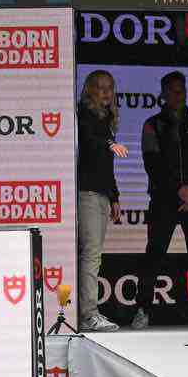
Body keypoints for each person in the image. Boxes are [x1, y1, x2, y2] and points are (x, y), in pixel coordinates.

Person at [131, 71, 188, 329]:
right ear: (164, 94)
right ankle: (142, 310)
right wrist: (179, 190)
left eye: (182, 90)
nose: (179, 95)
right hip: (163, 200)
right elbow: (152, 165)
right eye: (174, 91)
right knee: (153, 255)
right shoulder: (152, 124)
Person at [77, 70, 127, 332]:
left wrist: (115, 196)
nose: (106, 92)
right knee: (91, 254)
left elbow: (107, 167)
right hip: (86, 192)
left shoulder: (106, 118)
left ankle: (88, 311)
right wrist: (109, 143)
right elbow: (89, 141)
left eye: (110, 87)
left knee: (94, 255)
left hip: (101, 194)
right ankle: (88, 313)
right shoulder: (83, 114)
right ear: (89, 90)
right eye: (100, 87)